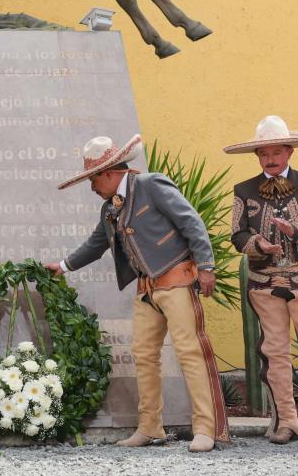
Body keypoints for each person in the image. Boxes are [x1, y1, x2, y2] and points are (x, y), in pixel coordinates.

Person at [46, 135, 229, 452]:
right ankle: (150, 427)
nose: (91, 186)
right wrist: (63, 265)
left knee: (188, 351)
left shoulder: (150, 184)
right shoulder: (109, 208)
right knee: (143, 355)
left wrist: (207, 266)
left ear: (109, 172)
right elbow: (96, 244)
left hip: (177, 280)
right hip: (146, 289)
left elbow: (192, 222)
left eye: (92, 179)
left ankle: (206, 429)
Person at [225, 115, 298, 444]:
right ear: (257, 156)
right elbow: (236, 235)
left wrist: (293, 233)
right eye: (263, 154)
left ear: (288, 153)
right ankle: (287, 421)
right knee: (275, 351)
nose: (270, 159)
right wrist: (257, 244)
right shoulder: (243, 190)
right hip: (264, 283)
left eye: (276, 153)